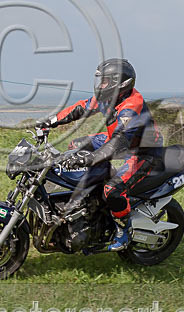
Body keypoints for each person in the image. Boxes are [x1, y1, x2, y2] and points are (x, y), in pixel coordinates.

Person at [37, 58, 163, 251]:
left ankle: (125, 229)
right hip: (117, 139)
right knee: (76, 145)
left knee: (111, 191)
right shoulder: (109, 97)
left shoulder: (131, 106)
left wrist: (91, 158)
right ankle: (87, 195)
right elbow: (80, 108)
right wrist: (51, 121)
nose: (100, 85)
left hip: (141, 151)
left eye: (105, 81)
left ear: (120, 83)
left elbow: (119, 142)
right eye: (100, 80)